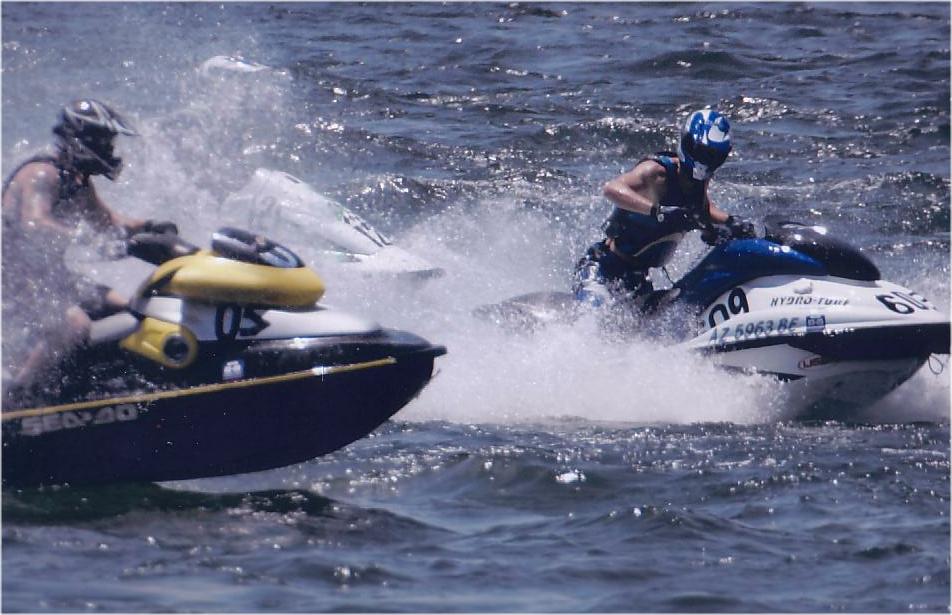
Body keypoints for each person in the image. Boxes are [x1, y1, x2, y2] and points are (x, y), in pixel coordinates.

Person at [2, 99, 176, 390]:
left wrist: (150, 227)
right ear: (81, 138)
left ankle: (100, 384)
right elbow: (34, 223)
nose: (109, 149)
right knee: (75, 325)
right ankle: (19, 396)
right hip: (14, 286)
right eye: (104, 141)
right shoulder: (42, 173)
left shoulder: (77, 180)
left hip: (49, 281)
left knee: (130, 306)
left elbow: (108, 221)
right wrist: (88, 240)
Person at [573, 108, 756, 315]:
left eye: (713, 156)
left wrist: (731, 222)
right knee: (595, 318)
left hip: (639, 279)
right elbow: (612, 189)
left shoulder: (699, 184)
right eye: (702, 152)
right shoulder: (656, 172)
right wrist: (657, 212)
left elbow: (704, 210)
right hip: (603, 269)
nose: (705, 160)